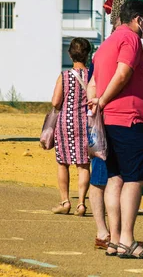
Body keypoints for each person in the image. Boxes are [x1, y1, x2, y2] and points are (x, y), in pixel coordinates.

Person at [88, 0, 143, 259]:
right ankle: (127, 239)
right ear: (138, 19)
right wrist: (104, 101)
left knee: (115, 178)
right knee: (133, 180)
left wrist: (96, 104)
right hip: (129, 120)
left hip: (109, 122)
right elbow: (123, 73)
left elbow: (93, 82)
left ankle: (115, 239)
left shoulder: (105, 44)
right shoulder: (130, 40)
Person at [50, 38, 92, 216]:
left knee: (63, 163)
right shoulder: (92, 76)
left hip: (65, 123)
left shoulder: (65, 76)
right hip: (86, 124)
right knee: (83, 165)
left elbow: (55, 102)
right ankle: (81, 204)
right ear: (88, 54)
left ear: (70, 54)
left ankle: (65, 201)